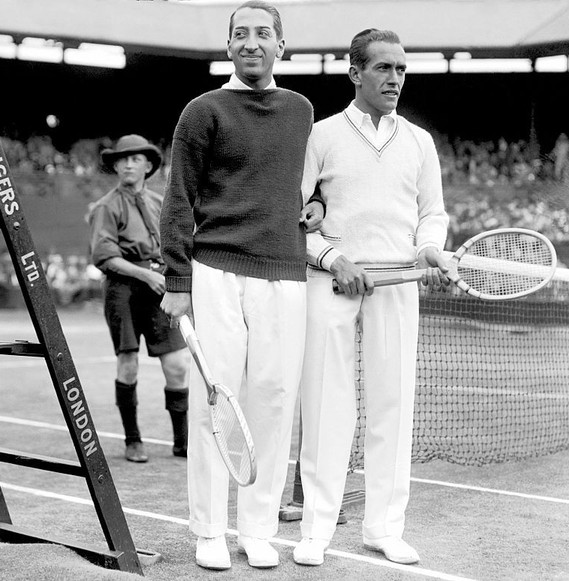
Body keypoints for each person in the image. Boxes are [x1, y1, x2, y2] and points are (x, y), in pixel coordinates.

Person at [159, 1, 324, 571]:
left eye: (262, 34)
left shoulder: (302, 111)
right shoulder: (202, 111)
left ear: (282, 44)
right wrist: (177, 279)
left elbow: (310, 184)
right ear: (228, 45)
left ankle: (257, 529)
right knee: (217, 404)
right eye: (240, 34)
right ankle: (208, 530)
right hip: (215, 272)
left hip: (285, 273)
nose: (251, 42)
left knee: (275, 403)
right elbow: (179, 197)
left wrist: (319, 203)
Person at [293, 29, 450, 567]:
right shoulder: (320, 135)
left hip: (399, 282)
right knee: (326, 405)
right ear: (356, 73)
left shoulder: (419, 142)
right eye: (383, 68)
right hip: (332, 281)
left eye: (402, 69)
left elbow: (433, 213)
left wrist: (429, 249)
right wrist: (333, 259)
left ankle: (384, 527)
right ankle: (315, 529)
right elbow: (296, 215)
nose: (395, 78)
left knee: (393, 404)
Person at [89, 134, 190, 464]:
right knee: (128, 363)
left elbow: (177, 245)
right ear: (116, 166)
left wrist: (172, 278)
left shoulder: (160, 203)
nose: (129, 164)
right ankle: (133, 440)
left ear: (148, 166)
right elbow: (104, 257)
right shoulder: (107, 206)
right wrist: (147, 275)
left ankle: (182, 440)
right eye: (123, 159)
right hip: (124, 289)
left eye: (137, 159)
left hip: (159, 286)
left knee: (177, 364)